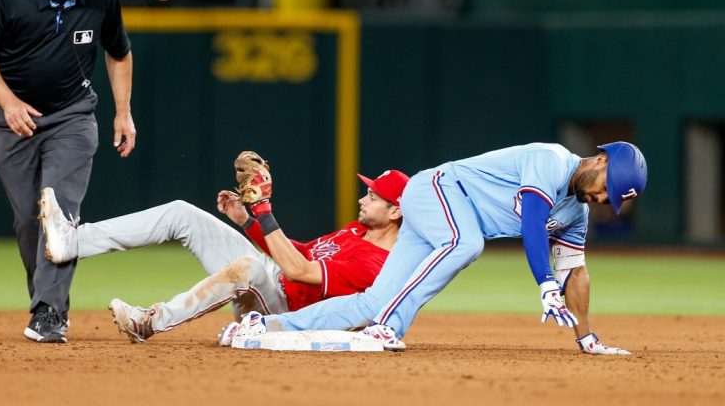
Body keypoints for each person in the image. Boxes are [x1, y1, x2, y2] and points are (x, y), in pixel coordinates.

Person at [230, 141, 647, 355]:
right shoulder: (552, 160)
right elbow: (533, 220)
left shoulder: (577, 212)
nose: (601, 200)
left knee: (370, 302)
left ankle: (260, 327)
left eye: (610, 200)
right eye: (605, 190)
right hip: (437, 190)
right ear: (599, 162)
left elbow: (575, 271)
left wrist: (585, 336)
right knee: (465, 244)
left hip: (445, 215)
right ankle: (389, 328)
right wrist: (543, 282)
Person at [0, 0, 136, 343]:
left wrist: (123, 112)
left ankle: (49, 311)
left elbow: (119, 52)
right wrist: (8, 101)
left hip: (73, 117)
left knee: (58, 213)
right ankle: (45, 300)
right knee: (28, 221)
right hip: (14, 121)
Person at [38, 167, 409, 343]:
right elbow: (295, 253)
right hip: (274, 280)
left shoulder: (376, 263)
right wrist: (247, 221)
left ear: (395, 212)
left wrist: (264, 209)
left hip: (283, 313)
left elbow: (297, 271)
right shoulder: (356, 230)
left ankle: (150, 321)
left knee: (247, 267)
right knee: (181, 212)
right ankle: (71, 241)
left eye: (374, 196)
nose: (364, 198)